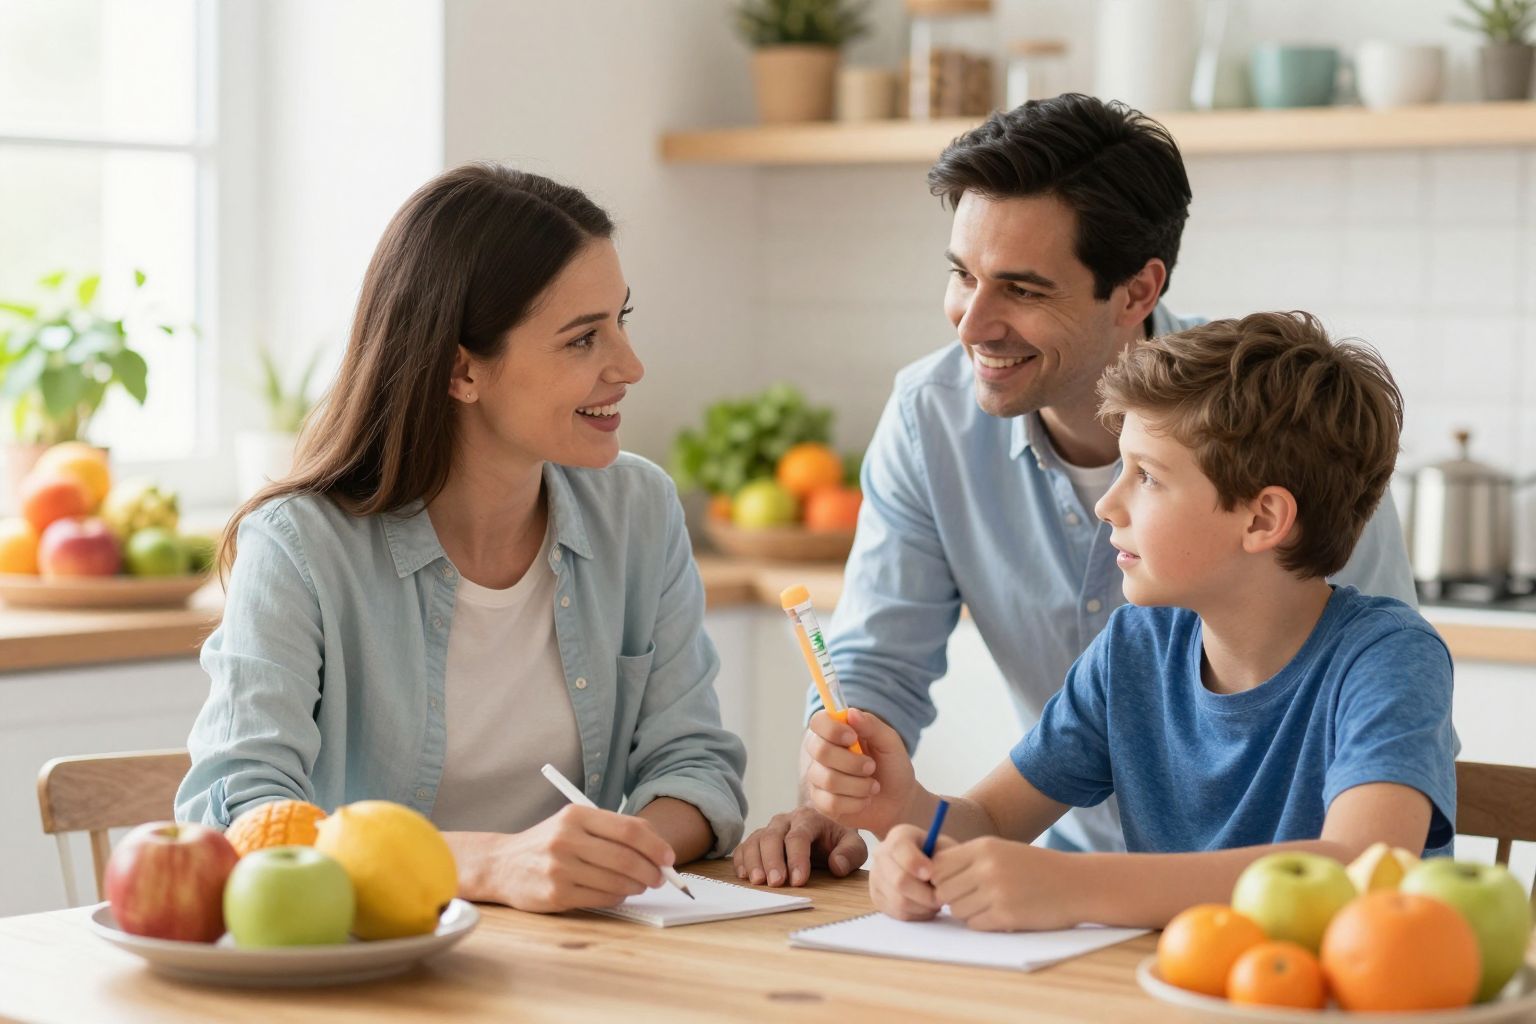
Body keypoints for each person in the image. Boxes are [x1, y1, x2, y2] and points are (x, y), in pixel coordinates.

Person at [735, 94, 1417, 888]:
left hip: (1279, 929)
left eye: (1022, 290)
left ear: (1136, 292)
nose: (972, 324)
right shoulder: (938, 424)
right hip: (1081, 905)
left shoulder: (1281, 432)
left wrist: (1067, 889)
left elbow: (1366, 849)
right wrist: (865, 794)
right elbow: (893, 692)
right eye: (962, 275)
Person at [177, 164, 747, 914]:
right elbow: (242, 812)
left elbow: (695, 763)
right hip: (377, 966)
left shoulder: (637, 509)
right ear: (461, 371)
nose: (629, 365)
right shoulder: (299, 546)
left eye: (621, 320)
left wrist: (616, 853)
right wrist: (486, 866)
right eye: (582, 340)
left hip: (585, 957)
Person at [852, 311, 1454, 928]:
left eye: (1147, 476)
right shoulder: (1135, 650)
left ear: (1261, 520)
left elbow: (1356, 867)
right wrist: (912, 817)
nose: (1108, 504)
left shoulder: (1388, 657)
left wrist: (1074, 885)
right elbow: (993, 821)